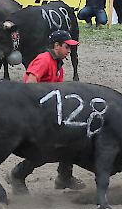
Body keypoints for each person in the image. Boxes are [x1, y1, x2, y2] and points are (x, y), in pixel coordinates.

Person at [22, 30, 85, 191]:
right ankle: (19, 173)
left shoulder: (58, 65)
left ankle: (64, 176)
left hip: (46, 113)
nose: (69, 51)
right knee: (50, 146)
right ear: (56, 46)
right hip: (35, 112)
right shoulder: (44, 60)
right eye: (67, 47)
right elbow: (29, 84)